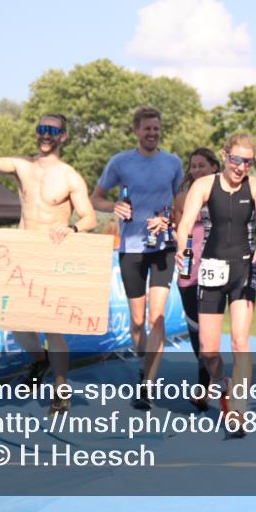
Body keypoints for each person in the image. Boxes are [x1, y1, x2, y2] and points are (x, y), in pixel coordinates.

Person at [0, 114, 97, 415]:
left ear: (63, 136)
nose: (45, 135)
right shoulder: (23, 166)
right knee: (15, 323)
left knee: (53, 328)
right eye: (41, 129)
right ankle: (40, 360)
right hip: (21, 253)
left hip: (51, 256)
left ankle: (61, 390)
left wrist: (73, 229)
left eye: (52, 131)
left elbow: (89, 217)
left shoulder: (70, 176)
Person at [174, 132, 256, 436]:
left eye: (248, 161)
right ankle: (224, 385)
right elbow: (184, 226)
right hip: (211, 268)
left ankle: (239, 410)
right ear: (225, 156)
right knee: (207, 351)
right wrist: (183, 249)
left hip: (243, 268)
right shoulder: (204, 185)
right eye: (235, 159)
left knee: (239, 342)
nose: (240, 166)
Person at [90, 106, 182, 409]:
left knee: (157, 317)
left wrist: (169, 222)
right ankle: (147, 365)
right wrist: (113, 206)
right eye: (147, 129)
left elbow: (180, 206)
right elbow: (96, 198)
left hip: (163, 248)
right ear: (136, 131)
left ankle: (148, 385)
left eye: (156, 128)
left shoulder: (173, 163)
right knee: (137, 322)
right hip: (131, 248)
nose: (153, 133)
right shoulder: (120, 162)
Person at [171, 147, 220, 411]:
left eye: (202, 165)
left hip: (217, 265)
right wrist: (184, 261)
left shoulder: (224, 194)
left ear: (214, 167)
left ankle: (206, 384)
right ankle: (206, 374)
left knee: (209, 329)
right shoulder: (182, 197)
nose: (197, 170)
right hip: (190, 265)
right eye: (193, 166)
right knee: (194, 327)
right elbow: (182, 231)